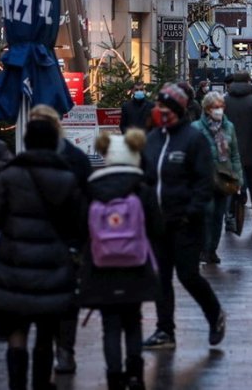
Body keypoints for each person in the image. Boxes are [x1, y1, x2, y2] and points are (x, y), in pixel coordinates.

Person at [0, 116, 84, 390]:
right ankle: (40, 384)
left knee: (16, 332)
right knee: (46, 333)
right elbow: (80, 223)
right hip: (53, 267)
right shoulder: (66, 177)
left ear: (26, 143)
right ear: (54, 143)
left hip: (13, 267)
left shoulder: (10, 175)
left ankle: (17, 384)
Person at [142, 83, 225, 350]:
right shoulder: (153, 139)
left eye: (164, 106)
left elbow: (204, 183)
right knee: (161, 278)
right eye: (158, 105)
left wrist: (191, 212)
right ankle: (165, 330)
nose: (159, 110)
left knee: (188, 275)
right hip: (157, 223)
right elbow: (144, 177)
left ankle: (215, 315)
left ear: (177, 110)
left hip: (186, 224)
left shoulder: (193, 139)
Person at [78, 130, 161, 390]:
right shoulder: (142, 189)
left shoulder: (92, 188)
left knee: (110, 326)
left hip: (101, 266)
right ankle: (135, 375)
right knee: (133, 322)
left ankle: (114, 376)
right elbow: (157, 228)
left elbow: (82, 228)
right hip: (135, 265)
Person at [26, 104, 92, 376]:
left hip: (67, 241)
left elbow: (86, 200)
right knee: (43, 301)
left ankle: (65, 350)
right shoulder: (26, 161)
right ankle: (47, 349)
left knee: (66, 300)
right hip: (34, 242)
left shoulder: (74, 158)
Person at [192, 91, 242, 265]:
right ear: (206, 109)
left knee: (218, 216)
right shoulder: (196, 128)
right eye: (215, 107)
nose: (219, 110)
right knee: (207, 213)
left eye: (221, 107)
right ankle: (203, 249)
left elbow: (234, 154)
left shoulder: (229, 127)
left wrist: (238, 179)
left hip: (223, 177)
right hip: (202, 179)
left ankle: (212, 249)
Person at [224, 71, 252, 230]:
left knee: (231, 183)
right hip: (250, 149)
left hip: (229, 149)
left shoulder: (225, 100)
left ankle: (229, 216)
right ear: (248, 81)